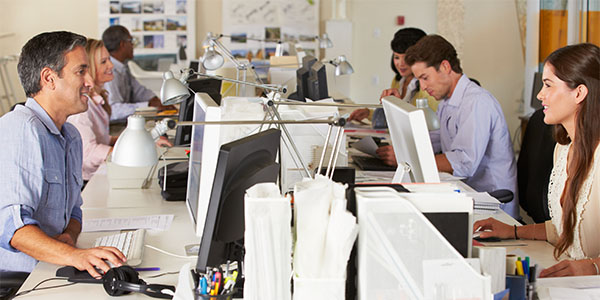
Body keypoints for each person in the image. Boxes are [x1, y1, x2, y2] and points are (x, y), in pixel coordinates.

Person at [0, 31, 126, 278]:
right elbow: (11, 226)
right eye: (81, 72)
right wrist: (74, 255)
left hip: (53, 265)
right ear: (49, 78)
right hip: (24, 277)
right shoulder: (20, 129)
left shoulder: (70, 135)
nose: (90, 82)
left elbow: (74, 211)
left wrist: (69, 237)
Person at [474, 43, 600, 277]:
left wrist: (590, 266)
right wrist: (512, 231)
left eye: (548, 85)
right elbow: (566, 228)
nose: (540, 95)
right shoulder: (563, 149)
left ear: (579, 93)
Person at [378, 34, 519, 218]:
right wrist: (395, 110)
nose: (422, 86)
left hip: (491, 207)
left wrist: (409, 160)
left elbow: (464, 161)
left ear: (445, 67)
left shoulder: (476, 102)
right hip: (465, 194)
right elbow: (433, 140)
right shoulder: (447, 101)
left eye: (425, 77)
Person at [67, 39, 171, 184]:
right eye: (103, 62)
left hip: (100, 174)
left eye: (109, 60)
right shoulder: (82, 108)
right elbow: (89, 153)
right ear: (88, 68)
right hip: (88, 182)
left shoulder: (98, 99)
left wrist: (144, 140)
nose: (111, 65)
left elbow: (104, 139)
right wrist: (130, 153)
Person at [347, 27, 437, 125]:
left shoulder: (428, 87)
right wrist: (369, 114)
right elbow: (393, 117)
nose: (401, 64)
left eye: (406, 58)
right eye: (396, 57)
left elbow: (423, 123)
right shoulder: (398, 80)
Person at [101, 25, 174, 122]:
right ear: (122, 44)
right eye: (131, 41)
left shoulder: (123, 67)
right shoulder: (109, 72)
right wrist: (148, 105)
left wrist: (155, 100)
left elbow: (139, 91)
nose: (133, 46)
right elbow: (113, 110)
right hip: (115, 125)